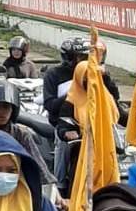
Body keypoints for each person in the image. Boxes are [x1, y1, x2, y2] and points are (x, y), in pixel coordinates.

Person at [42, 38, 120, 187]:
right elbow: (50, 105)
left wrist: (105, 78)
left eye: (88, 58)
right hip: (68, 124)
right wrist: (74, 94)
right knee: (63, 147)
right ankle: (59, 184)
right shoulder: (54, 75)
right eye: (81, 58)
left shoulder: (97, 74)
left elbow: (114, 100)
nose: (86, 62)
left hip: (97, 126)